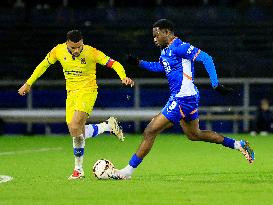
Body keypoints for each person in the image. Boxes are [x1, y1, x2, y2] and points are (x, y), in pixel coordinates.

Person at [112, 19, 255, 179]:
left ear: (167, 32)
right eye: (153, 36)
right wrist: (138, 63)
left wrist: (215, 84)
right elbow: (160, 67)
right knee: (194, 134)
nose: (154, 39)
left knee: (150, 130)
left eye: (156, 35)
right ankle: (237, 144)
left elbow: (207, 58)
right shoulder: (165, 51)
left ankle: (127, 172)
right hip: (185, 97)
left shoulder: (181, 47)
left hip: (183, 98)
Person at [18, 30, 134, 180]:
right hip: (71, 94)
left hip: (88, 91)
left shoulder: (92, 52)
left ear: (82, 42)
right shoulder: (57, 51)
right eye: (73, 48)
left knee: (74, 126)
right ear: (67, 44)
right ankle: (106, 126)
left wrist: (123, 76)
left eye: (79, 46)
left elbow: (114, 63)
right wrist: (28, 83)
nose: (77, 50)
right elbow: (43, 66)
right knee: (77, 132)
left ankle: (78, 170)